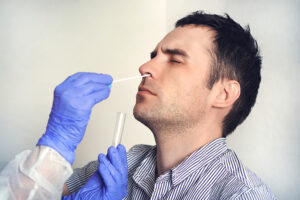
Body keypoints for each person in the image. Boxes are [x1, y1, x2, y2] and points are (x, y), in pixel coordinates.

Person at [63, 11, 277, 199]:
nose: (145, 67)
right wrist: (57, 142)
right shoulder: (122, 166)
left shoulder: (242, 195)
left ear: (223, 94)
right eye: (154, 56)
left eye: (175, 60)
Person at [0, 72, 128, 200]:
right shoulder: (118, 163)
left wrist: (57, 141)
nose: (142, 68)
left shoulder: (121, 166)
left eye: (150, 56)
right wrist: (57, 143)